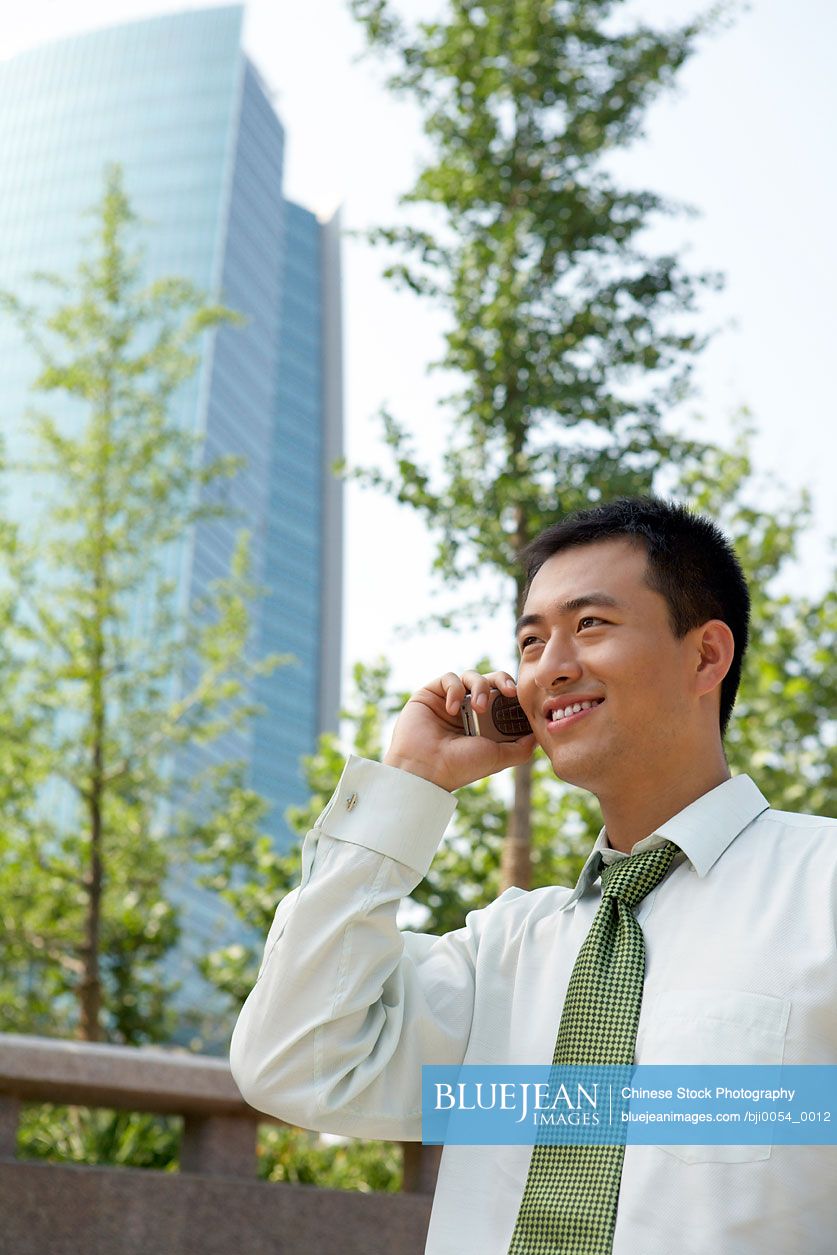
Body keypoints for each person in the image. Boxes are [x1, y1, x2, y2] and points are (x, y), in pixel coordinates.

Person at [230, 496, 836, 1254]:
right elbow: (296, 1064)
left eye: (589, 624)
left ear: (705, 655)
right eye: (529, 640)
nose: (550, 667)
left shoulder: (822, 889)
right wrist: (409, 782)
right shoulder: (503, 951)